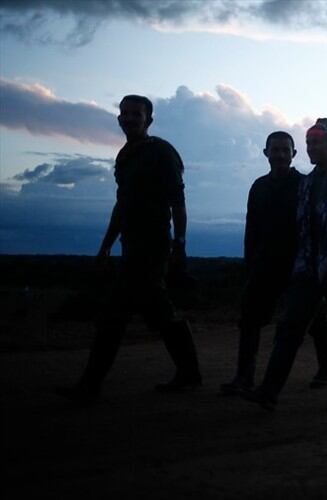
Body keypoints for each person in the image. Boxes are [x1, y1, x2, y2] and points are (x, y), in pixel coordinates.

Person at [56, 95, 201, 404]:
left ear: (149, 119)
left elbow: (178, 202)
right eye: (125, 113)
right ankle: (190, 373)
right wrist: (106, 245)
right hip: (131, 248)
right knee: (158, 311)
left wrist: (180, 245)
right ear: (119, 119)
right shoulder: (125, 156)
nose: (130, 118)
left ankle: (89, 385)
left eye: (137, 113)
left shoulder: (162, 152)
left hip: (153, 247)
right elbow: (122, 206)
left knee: (114, 314)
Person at [243, 117, 327, 412]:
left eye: (315, 143)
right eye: (308, 142)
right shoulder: (306, 184)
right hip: (308, 267)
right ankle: (268, 391)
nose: (310, 147)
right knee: (290, 327)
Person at [220, 131, 327, 396]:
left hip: (300, 265)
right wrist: (250, 264)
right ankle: (244, 377)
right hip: (265, 265)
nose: (280, 155)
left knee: (314, 319)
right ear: (266, 153)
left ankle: (325, 369)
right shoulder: (258, 187)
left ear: (294, 154)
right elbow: (252, 229)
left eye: (285, 150)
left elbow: (317, 226)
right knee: (249, 319)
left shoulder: (305, 184)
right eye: (275, 150)